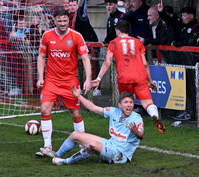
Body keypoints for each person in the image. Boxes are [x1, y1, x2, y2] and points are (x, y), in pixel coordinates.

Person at [92, 20, 166, 134]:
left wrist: (98, 78)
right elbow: (145, 63)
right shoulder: (138, 42)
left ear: (118, 30)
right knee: (148, 103)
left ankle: (126, 128)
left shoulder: (113, 43)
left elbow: (107, 62)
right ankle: (154, 116)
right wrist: (150, 81)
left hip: (124, 77)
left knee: (126, 103)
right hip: (140, 76)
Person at [36, 8, 92, 156]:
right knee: (44, 110)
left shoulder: (76, 36)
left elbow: (86, 59)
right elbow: (41, 57)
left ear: (69, 21)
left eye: (65, 20)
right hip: (51, 81)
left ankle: (83, 146)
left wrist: (88, 79)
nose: (62, 23)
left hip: (70, 82)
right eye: (59, 20)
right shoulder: (47, 36)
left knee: (75, 113)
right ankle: (47, 146)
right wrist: (41, 78)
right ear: (54, 21)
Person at [40, 89, 144, 165]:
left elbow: (141, 134)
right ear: (120, 105)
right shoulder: (114, 111)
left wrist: (136, 132)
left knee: (93, 145)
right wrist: (79, 96)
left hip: (121, 155)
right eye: (126, 102)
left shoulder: (136, 118)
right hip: (110, 144)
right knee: (75, 135)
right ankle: (56, 155)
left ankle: (66, 161)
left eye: (131, 102)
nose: (129, 105)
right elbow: (93, 108)